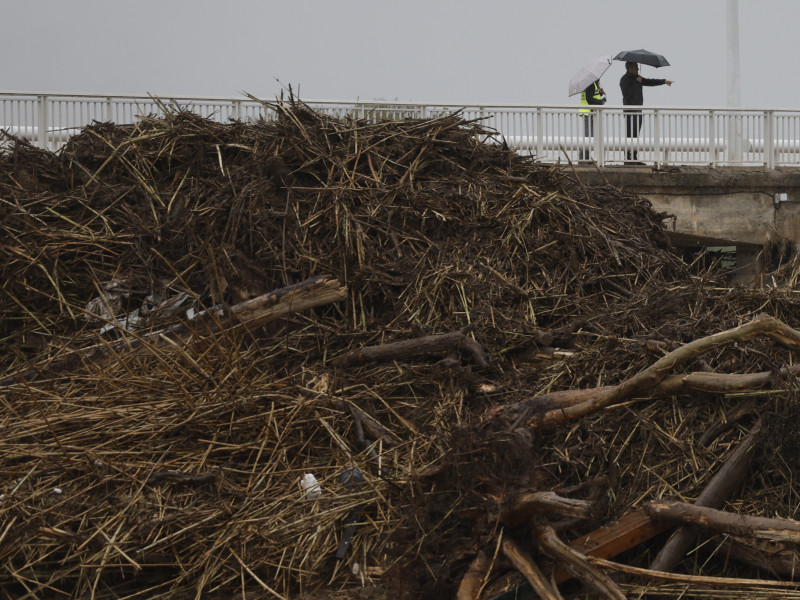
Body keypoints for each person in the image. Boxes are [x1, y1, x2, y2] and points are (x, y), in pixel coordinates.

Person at [619, 61, 673, 164]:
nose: (638, 69)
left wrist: (664, 81)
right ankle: (628, 159)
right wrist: (636, 82)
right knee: (630, 136)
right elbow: (627, 94)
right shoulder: (624, 80)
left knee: (636, 136)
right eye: (636, 67)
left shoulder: (638, 78)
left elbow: (649, 82)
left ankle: (634, 158)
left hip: (638, 111)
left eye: (638, 67)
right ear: (629, 68)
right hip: (630, 111)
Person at [579, 79, 606, 161]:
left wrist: (600, 94)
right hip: (589, 113)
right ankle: (584, 158)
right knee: (588, 137)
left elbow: (592, 96)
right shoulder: (590, 83)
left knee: (591, 136)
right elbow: (589, 99)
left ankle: (585, 157)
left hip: (591, 113)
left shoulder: (592, 84)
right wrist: (601, 102)